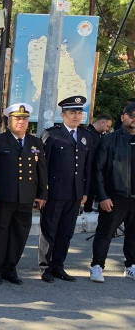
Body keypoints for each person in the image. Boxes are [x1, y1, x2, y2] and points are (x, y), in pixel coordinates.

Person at [0, 103, 47, 285]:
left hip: (26, 197)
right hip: (3, 197)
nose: (21, 122)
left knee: (20, 234)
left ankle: (10, 267)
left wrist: (42, 194)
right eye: (17, 118)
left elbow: (41, 170)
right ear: (8, 121)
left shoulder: (35, 143)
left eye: (25, 118)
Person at [39, 97, 91, 283]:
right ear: (63, 115)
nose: (76, 116)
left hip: (75, 193)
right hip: (55, 192)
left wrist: (85, 191)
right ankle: (45, 267)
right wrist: (42, 193)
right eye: (72, 113)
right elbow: (42, 167)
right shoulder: (52, 134)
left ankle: (58, 266)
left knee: (66, 232)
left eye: (79, 113)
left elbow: (87, 168)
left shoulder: (85, 136)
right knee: (49, 230)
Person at [89, 103, 135, 282]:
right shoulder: (109, 140)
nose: (133, 120)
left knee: (133, 235)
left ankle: (130, 265)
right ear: (123, 116)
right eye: (131, 115)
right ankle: (97, 266)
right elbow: (98, 171)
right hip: (114, 197)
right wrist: (102, 196)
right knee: (105, 233)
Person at [83, 114, 112, 213]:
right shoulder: (87, 133)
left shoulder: (102, 135)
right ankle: (85, 208)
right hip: (87, 168)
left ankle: (89, 208)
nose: (107, 129)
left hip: (97, 168)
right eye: (107, 126)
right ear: (102, 122)